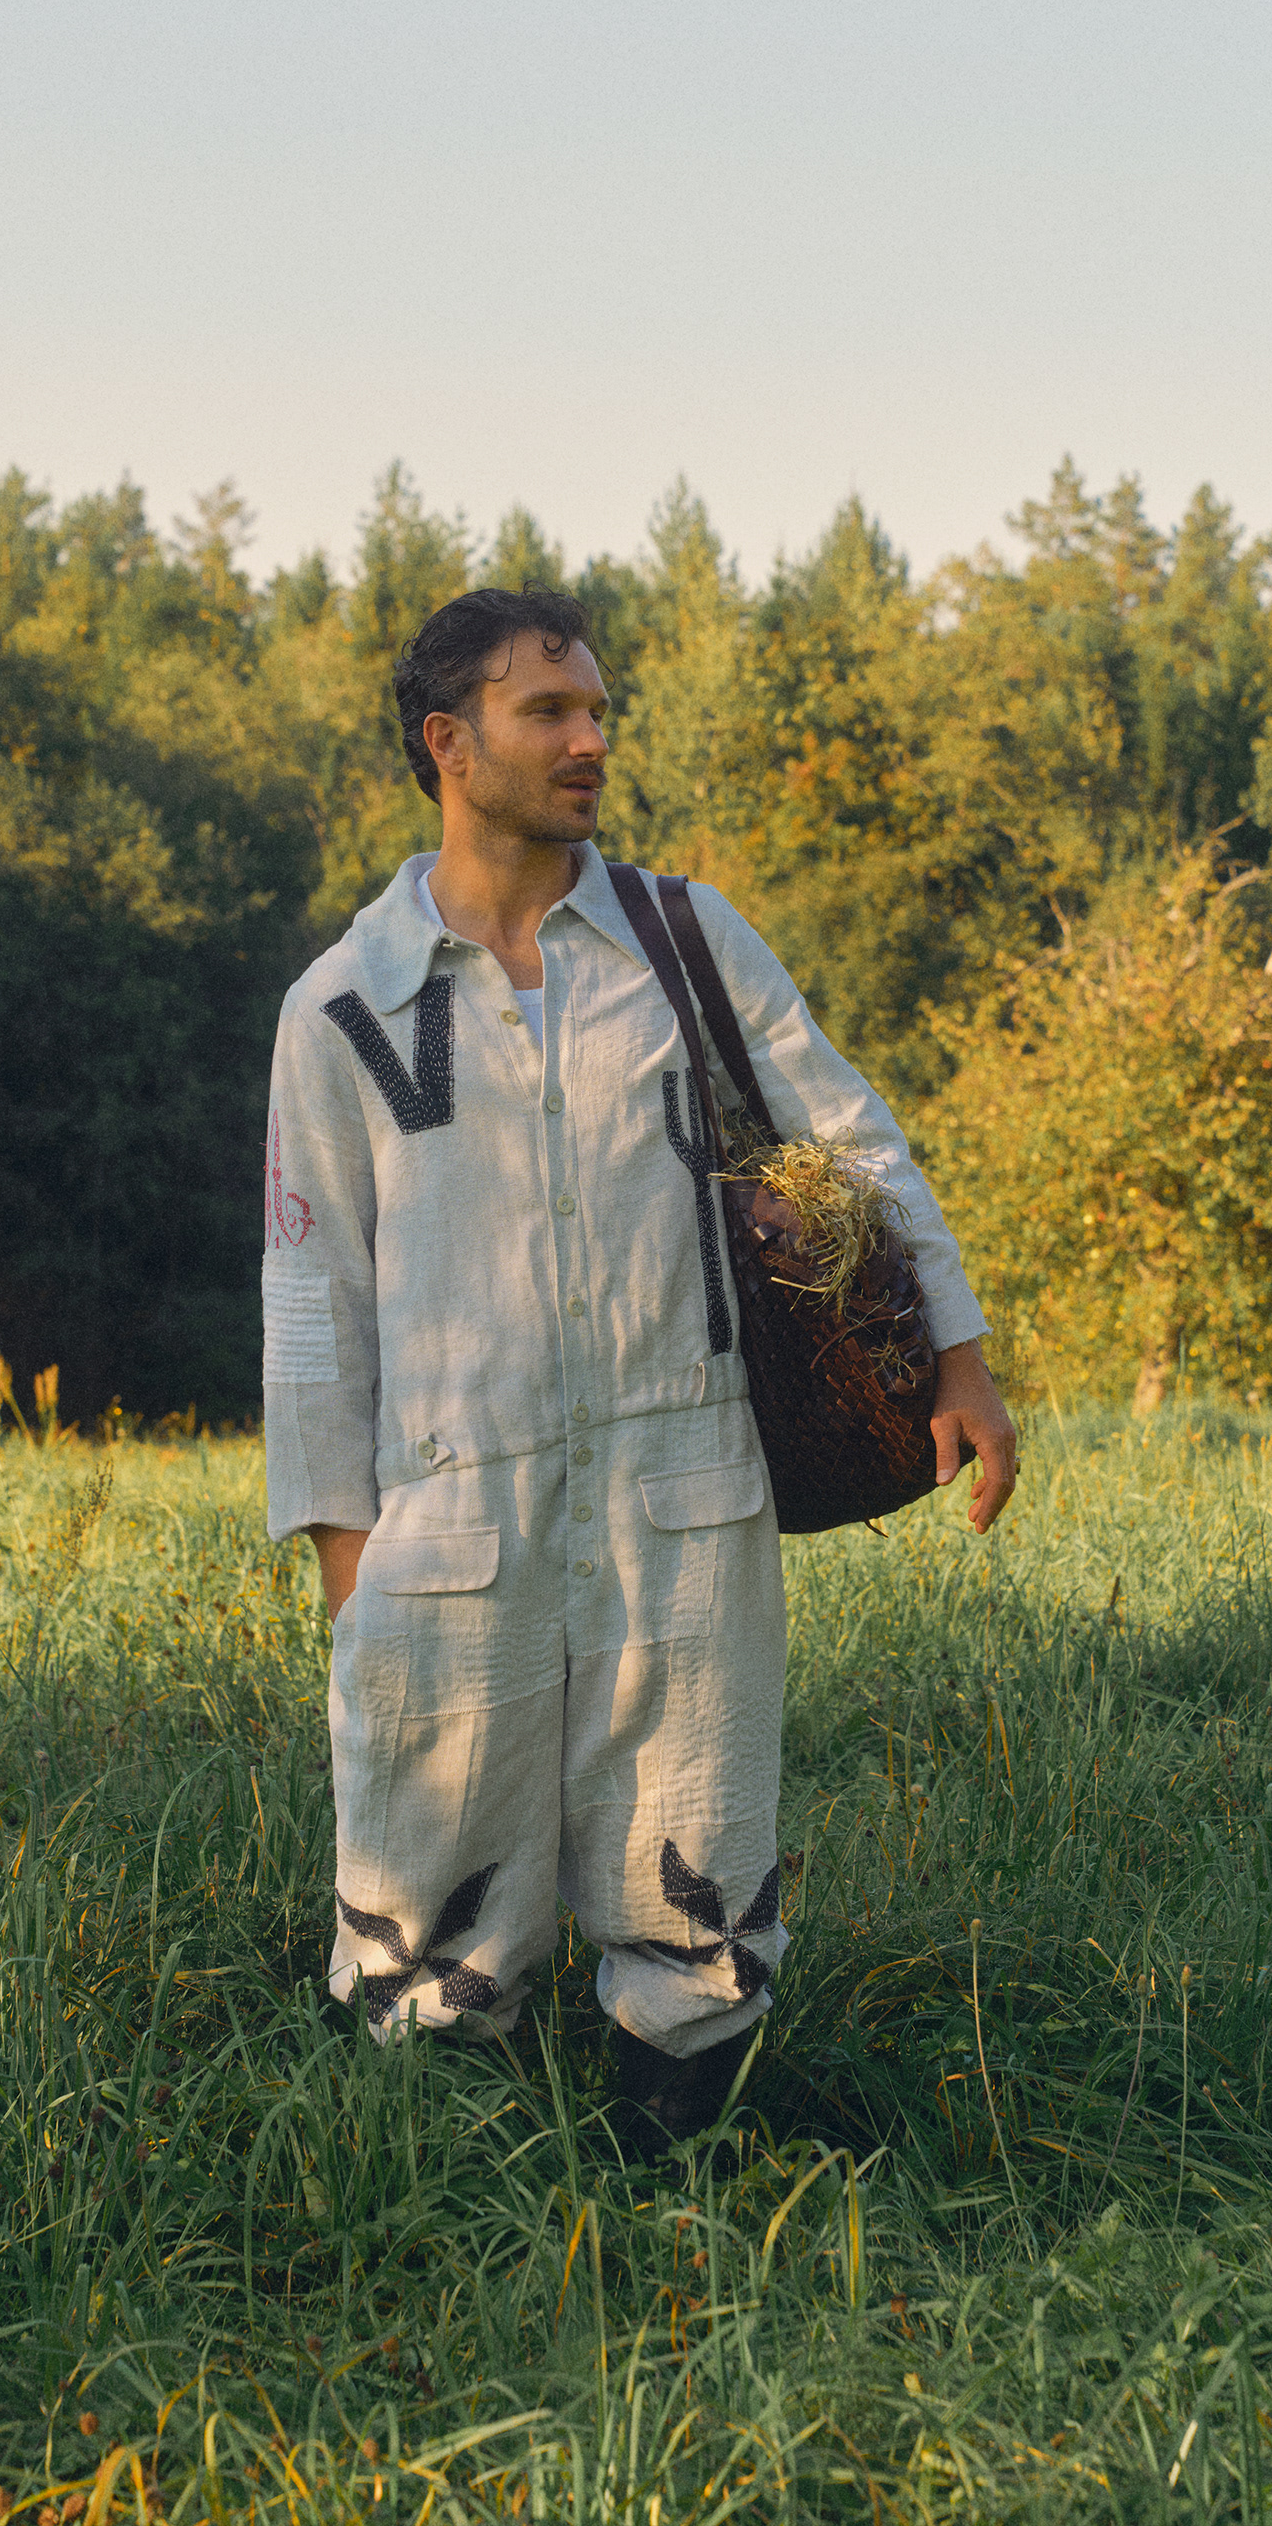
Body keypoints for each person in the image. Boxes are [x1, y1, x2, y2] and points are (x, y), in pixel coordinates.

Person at [262, 587, 1015, 2152]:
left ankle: (681, 2181)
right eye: (549, 711)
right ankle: (434, 2198)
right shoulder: (342, 1006)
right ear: (448, 742)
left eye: (598, 709)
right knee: (425, 1889)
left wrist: (961, 1357)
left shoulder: (686, 943)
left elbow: (854, 1143)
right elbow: (313, 1298)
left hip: (684, 1487)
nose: (590, 739)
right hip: (448, 1512)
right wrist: (345, 1555)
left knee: (696, 1857)